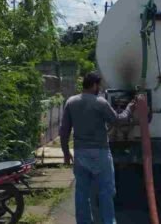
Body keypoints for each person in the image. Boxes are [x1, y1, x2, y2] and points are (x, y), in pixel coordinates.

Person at [60, 73, 134, 224]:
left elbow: (64, 130)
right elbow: (119, 120)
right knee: (106, 192)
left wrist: (66, 152)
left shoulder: (71, 102)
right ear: (94, 85)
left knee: (82, 193)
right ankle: (108, 221)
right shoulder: (100, 102)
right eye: (98, 86)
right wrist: (130, 107)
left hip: (80, 153)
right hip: (100, 153)